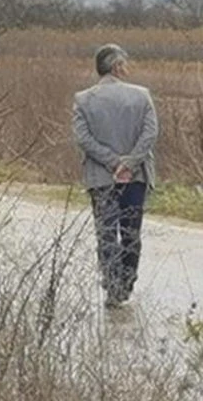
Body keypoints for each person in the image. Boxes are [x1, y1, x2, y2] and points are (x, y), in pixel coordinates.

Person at [71, 44, 158, 309]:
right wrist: (129, 163)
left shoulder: (83, 100)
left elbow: (82, 138)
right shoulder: (142, 97)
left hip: (101, 178)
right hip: (135, 177)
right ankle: (126, 284)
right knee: (131, 232)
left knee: (106, 233)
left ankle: (112, 286)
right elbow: (150, 134)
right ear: (117, 66)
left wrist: (111, 162)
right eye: (126, 63)